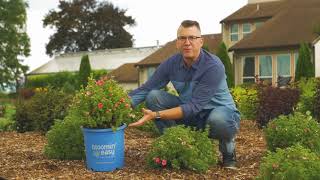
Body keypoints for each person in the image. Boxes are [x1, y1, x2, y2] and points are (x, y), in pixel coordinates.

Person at [128, 20, 240, 169]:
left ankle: (228, 151)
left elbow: (195, 106)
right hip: (191, 113)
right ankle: (179, 146)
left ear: (201, 41)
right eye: (182, 38)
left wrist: (156, 115)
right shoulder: (171, 64)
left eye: (192, 38)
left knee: (218, 120)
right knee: (153, 96)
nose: (187, 42)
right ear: (177, 43)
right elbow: (147, 88)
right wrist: (119, 105)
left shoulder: (213, 65)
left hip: (219, 113)